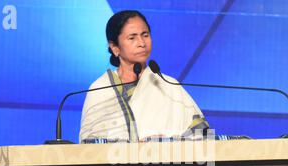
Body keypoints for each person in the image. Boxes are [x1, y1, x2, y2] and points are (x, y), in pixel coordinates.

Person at [79, 10, 209, 143]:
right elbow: (89, 147)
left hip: (170, 161)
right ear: (115, 48)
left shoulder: (169, 85)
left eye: (145, 35)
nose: (142, 43)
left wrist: (165, 143)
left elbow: (203, 137)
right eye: (132, 38)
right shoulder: (100, 89)